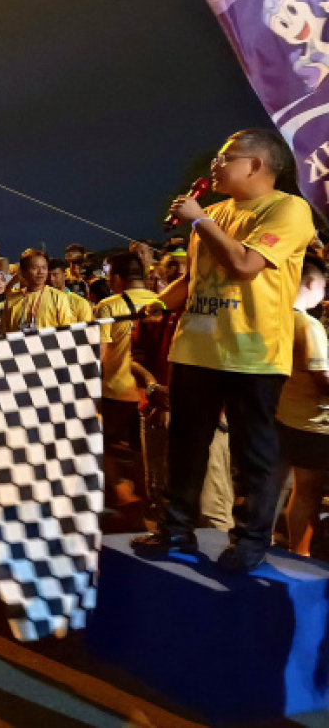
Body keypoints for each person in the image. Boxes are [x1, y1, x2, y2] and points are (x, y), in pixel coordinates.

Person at [133, 129, 316, 572]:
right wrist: (159, 305)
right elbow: (193, 279)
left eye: (225, 157)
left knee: (251, 454)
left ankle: (249, 541)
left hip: (253, 354)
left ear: (256, 165)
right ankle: (175, 527)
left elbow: (245, 264)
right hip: (196, 350)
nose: (214, 165)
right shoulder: (214, 213)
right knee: (185, 446)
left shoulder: (288, 210)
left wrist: (199, 221)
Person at [94, 251, 162, 528]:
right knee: (142, 450)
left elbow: (100, 354)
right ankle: (147, 502)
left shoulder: (109, 306)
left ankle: (125, 495)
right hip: (153, 391)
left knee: (99, 443)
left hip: (117, 389)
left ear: (117, 278)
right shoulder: (162, 301)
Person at [277, 256, 329, 556]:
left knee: (280, 488)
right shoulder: (309, 326)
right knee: (307, 493)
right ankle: (300, 553)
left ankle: (266, 545)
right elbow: (321, 378)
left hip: (283, 415)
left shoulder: (276, 318)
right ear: (311, 283)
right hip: (312, 423)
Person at [3, 251, 75, 331]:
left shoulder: (59, 297)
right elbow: (5, 332)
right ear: (23, 272)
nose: (41, 272)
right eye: (35, 268)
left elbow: (66, 331)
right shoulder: (11, 301)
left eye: (44, 268)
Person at [49, 258, 93, 323]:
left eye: (55, 275)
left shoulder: (80, 303)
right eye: (48, 276)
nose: (51, 279)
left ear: (65, 275)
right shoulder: (39, 301)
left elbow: (87, 328)